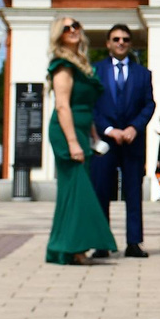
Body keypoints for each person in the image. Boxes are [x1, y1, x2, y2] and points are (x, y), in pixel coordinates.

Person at [42, 18, 117, 266]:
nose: (73, 30)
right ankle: (74, 248)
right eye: (66, 28)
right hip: (66, 133)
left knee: (72, 192)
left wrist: (94, 137)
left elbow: (86, 107)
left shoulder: (82, 64)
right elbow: (63, 106)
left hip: (82, 132)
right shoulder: (62, 65)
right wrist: (73, 143)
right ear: (59, 35)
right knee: (77, 190)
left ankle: (63, 248)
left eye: (76, 26)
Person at [89, 25, 155, 258]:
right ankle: (101, 242)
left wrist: (134, 127)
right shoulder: (94, 71)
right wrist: (108, 129)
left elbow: (149, 104)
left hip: (132, 142)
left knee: (133, 192)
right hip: (105, 142)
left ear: (130, 43)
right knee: (101, 191)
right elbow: (91, 106)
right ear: (108, 43)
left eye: (125, 39)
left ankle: (134, 242)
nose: (121, 42)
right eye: (116, 39)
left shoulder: (142, 74)